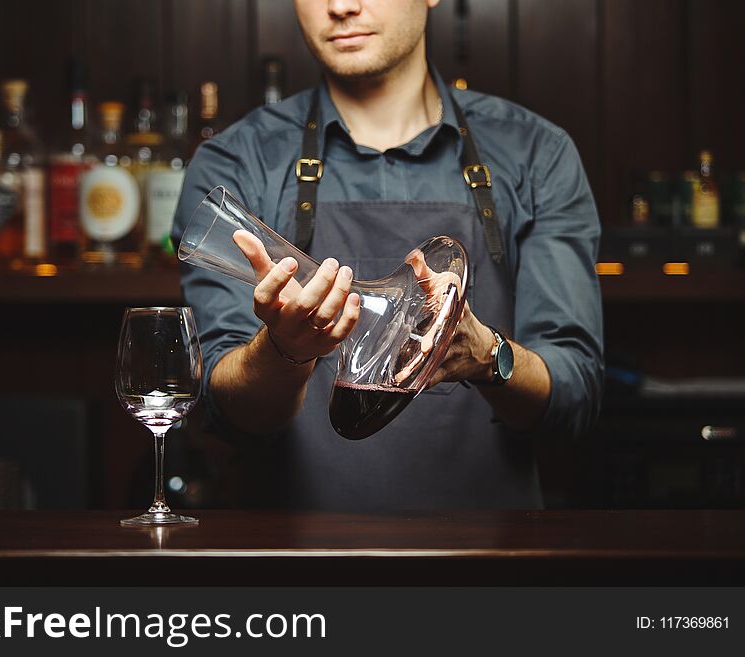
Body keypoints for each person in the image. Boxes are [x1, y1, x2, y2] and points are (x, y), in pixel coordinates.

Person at [172, 0, 604, 511]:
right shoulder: (238, 160)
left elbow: (574, 398)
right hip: (296, 564)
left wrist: (485, 355)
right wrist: (284, 353)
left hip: (488, 562)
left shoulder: (537, 154)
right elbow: (227, 413)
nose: (341, 6)